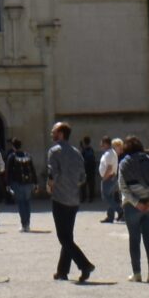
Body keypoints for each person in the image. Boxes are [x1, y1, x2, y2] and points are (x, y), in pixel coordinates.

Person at [45, 121, 98, 282]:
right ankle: (62, 271)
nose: (51, 133)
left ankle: (84, 264)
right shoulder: (76, 152)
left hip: (60, 198)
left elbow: (52, 174)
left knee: (63, 237)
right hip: (74, 199)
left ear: (60, 133)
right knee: (68, 236)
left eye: (54, 131)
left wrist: (50, 187)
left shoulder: (54, 151)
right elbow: (83, 177)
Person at [117, 132, 149, 282]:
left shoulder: (124, 163)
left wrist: (137, 203)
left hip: (132, 207)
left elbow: (123, 187)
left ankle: (136, 273)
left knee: (134, 239)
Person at [7, 138, 37, 231]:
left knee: (21, 203)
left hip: (17, 182)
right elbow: (32, 169)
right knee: (27, 203)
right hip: (28, 183)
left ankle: (24, 224)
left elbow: (8, 171)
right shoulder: (28, 155)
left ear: (13, 146)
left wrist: (8, 184)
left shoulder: (12, 156)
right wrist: (36, 183)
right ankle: (27, 223)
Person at [99, 137, 123, 222]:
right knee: (110, 197)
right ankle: (110, 216)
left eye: (102, 144)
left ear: (106, 144)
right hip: (111, 177)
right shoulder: (109, 153)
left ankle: (120, 211)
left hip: (109, 178)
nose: (100, 145)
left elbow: (109, 167)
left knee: (106, 197)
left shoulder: (109, 154)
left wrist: (104, 178)